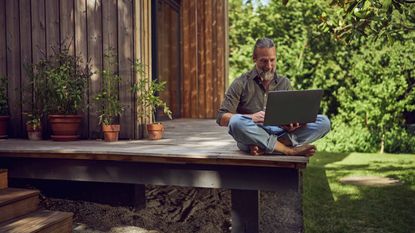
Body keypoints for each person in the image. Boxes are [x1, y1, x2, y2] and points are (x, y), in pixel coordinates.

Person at [216, 38, 331, 156]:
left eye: (272, 60)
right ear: (254, 59)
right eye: (264, 61)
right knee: (236, 122)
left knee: (324, 122)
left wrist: (291, 125)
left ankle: (267, 146)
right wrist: (252, 117)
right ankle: (287, 150)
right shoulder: (240, 83)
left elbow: (291, 115)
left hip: (280, 133)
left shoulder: (284, 82)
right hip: (252, 133)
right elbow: (221, 118)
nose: (269, 66)